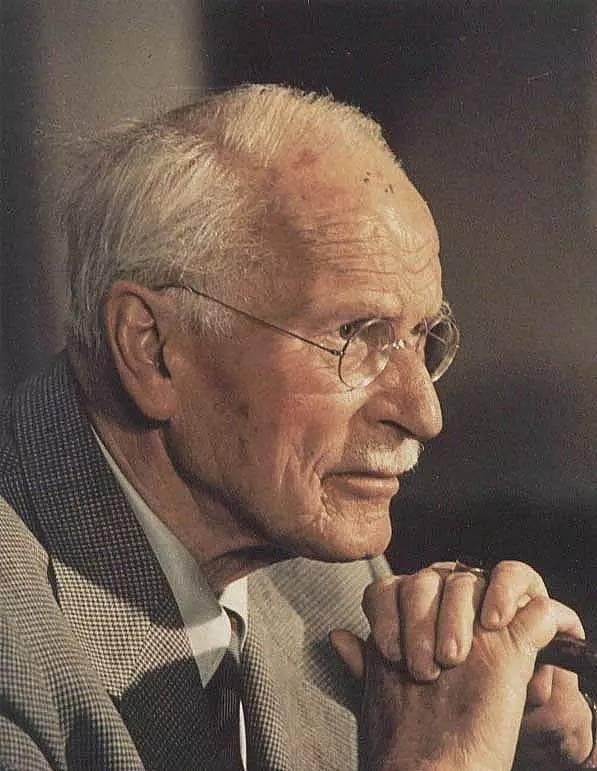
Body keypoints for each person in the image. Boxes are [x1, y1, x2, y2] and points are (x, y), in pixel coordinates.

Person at [0, 84, 594, 771]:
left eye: (422, 337)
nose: (423, 414)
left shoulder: (322, 571)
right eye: (355, 334)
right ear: (153, 348)